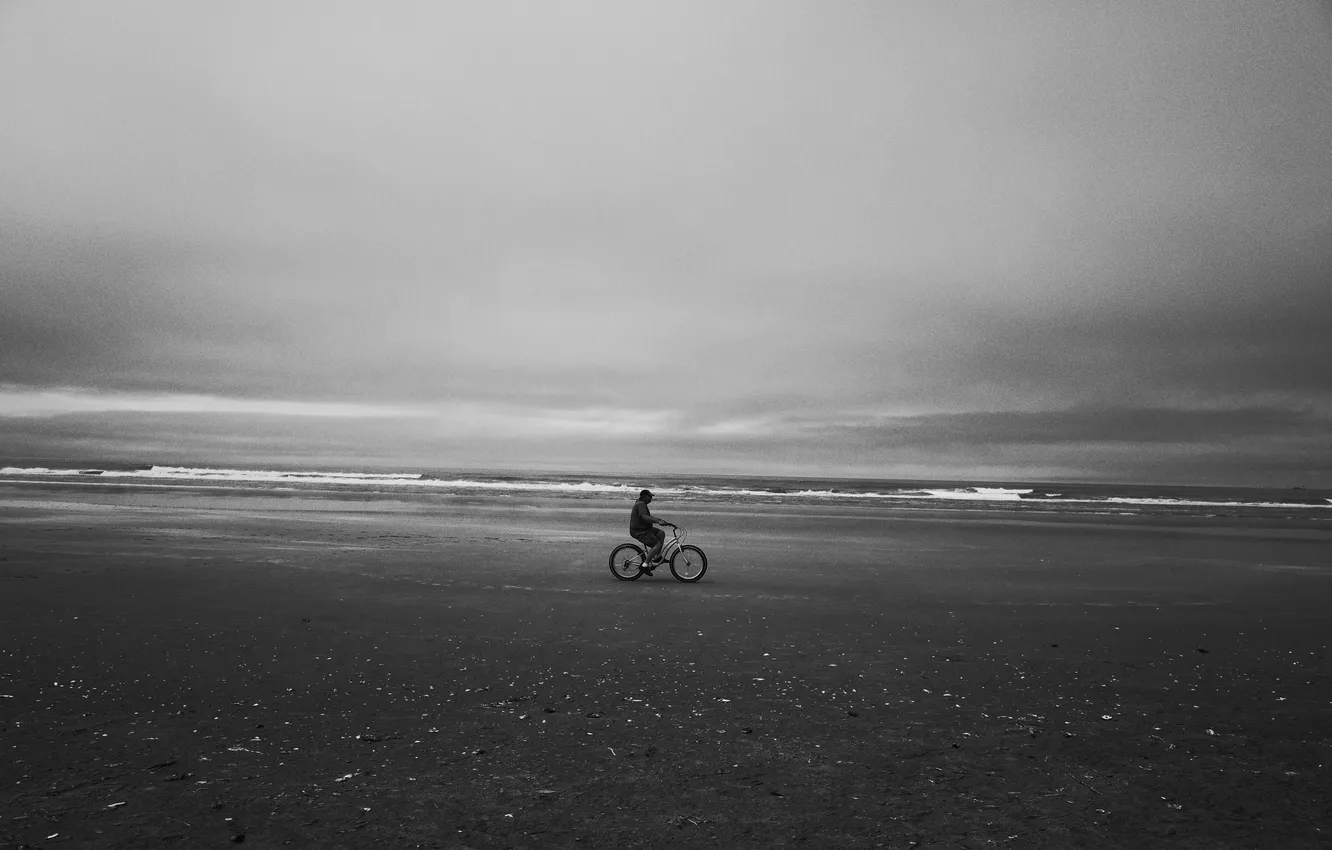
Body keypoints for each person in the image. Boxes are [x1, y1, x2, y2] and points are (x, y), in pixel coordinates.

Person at [629, 489, 674, 572]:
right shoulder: (641, 504)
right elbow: (644, 516)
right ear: (645, 497)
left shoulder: (641, 503)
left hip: (646, 529)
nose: (651, 498)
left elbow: (646, 517)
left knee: (661, 533)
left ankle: (657, 558)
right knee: (657, 544)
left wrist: (658, 520)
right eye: (650, 496)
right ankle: (644, 566)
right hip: (639, 531)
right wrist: (658, 521)